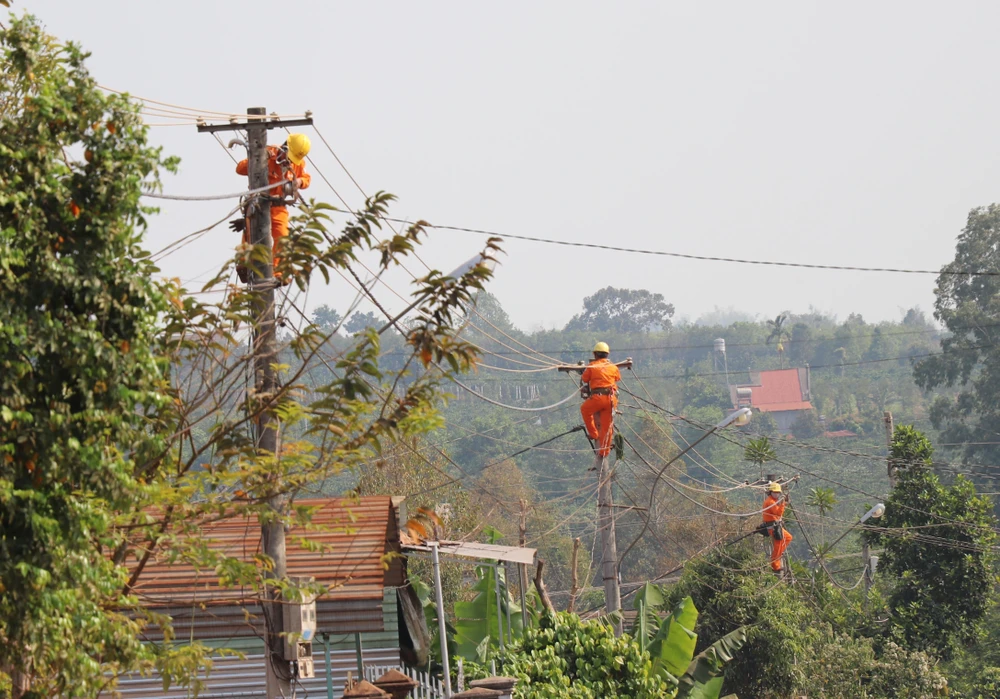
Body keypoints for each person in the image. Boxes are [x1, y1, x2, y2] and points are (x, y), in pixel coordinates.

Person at [233, 133, 312, 282]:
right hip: (258, 203)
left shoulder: (298, 164)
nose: (288, 161)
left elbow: (306, 178)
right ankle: (245, 263)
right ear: (284, 147)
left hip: (278, 206)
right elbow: (240, 169)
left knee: (282, 236)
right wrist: (261, 158)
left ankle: (277, 272)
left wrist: (300, 182)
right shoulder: (266, 153)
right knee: (251, 232)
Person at [580, 341, 621, 458]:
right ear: (607, 355)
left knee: (585, 409)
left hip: (598, 398)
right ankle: (604, 452)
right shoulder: (613, 367)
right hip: (611, 400)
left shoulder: (592, 366)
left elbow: (584, 378)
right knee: (607, 427)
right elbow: (617, 378)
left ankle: (593, 433)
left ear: (595, 354)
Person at [762, 482, 793, 574]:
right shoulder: (770, 501)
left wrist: (785, 503)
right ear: (770, 492)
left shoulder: (773, 501)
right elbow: (778, 513)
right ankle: (775, 565)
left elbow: (777, 511)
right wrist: (783, 503)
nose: (776, 494)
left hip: (775, 525)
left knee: (788, 538)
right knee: (778, 545)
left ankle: (778, 555)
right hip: (773, 527)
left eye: (778, 493)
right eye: (775, 492)